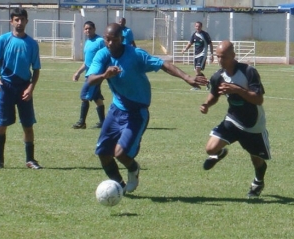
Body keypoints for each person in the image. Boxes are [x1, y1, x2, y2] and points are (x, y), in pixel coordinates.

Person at [86, 23, 209, 193]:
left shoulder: (135, 54)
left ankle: (133, 169)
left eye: (115, 40)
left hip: (137, 112)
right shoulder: (102, 55)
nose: (111, 43)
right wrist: (104, 75)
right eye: (108, 40)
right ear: (104, 39)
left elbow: (163, 64)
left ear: (122, 39)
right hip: (116, 110)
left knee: (120, 153)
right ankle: (119, 187)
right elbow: (90, 80)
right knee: (103, 153)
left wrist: (187, 77)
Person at [199, 40, 271, 198]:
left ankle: (258, 182)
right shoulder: (218, 76)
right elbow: (214, 94)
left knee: (256, 160)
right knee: (210, 148)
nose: (220, 60)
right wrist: (206, 104)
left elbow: (258, 99)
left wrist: (237, 90)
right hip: (232, 120)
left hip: (253, 124)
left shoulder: (248, 72)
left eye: (223, 57)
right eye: (218, 57)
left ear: (233, 55)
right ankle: (219, 153)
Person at [0, 7, 42, 170]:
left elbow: (36, 69)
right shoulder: (3, 40)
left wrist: (31, 88)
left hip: (24, 87)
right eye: (16, 19)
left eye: (22, 19)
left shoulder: (32, 44)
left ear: (27, 21)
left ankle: (30, 159)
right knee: (2, 123)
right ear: (11, 21)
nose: (19, 22)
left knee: (28, 124)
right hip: (6, 87)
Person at [72, 21, 106, 129]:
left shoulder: (100, 41)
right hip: (89, 74)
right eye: (86, 29)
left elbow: (106, 56)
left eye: (90, 28)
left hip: (95, 75)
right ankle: (103, 122)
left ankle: (82, 122)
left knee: (84, 96)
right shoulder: (87, 42)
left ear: (94, 29)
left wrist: (103, 73)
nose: (88, 30)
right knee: (97, 98)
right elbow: (86, 62)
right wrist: (78, 72)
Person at [181, 21, 213, 90]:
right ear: (195, 27)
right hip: (196, 55)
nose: (197, 28)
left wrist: (211, 54)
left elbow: (210, 44)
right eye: (196, 26)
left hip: (203, 53)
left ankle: (196, 86)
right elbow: (190, 43)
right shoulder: (194, 35)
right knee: (196, 72)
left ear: (201, 27)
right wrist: (185, 49)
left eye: (199, 26)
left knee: (198, 69)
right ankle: (207, 82)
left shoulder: (205, 34)